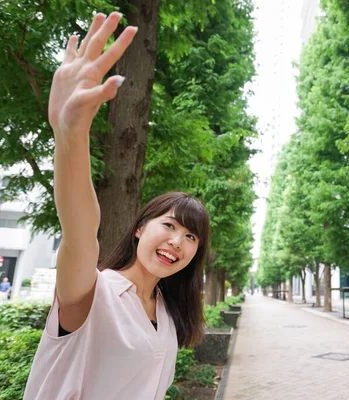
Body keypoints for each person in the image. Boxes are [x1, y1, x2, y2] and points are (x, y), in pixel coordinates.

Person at [23, 12, 210, 400]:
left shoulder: (168, 312)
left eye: (191, 236)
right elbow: (79, 232)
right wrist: (70, 137)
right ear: (140, 227)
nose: (177, 241)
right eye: (170, 225)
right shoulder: (93, 292)